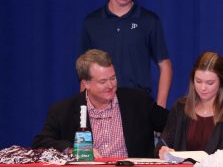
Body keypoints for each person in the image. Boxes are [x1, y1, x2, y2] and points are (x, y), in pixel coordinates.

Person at [32, 49, 168, 158]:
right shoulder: (63, 110)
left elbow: (173, 124)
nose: (111, 85)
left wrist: (166, 147)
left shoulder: (139, 101)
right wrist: (72, 150)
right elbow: (41, 141)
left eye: (113, 78)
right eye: (103, 82)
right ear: (86, 84)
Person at [81, 0, 172, 108]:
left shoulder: (149, 21)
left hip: (138, 104)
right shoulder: (92, 22)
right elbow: (85, 72)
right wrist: (84, 113)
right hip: (100, 105)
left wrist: (160, 109)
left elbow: (165, 65)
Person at [157, 52, 223, 159]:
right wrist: (163, 150)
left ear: (221, 83)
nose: (203, 88)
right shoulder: (180, 107)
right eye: (198, 81)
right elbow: (163, 143)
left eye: (210, 83)